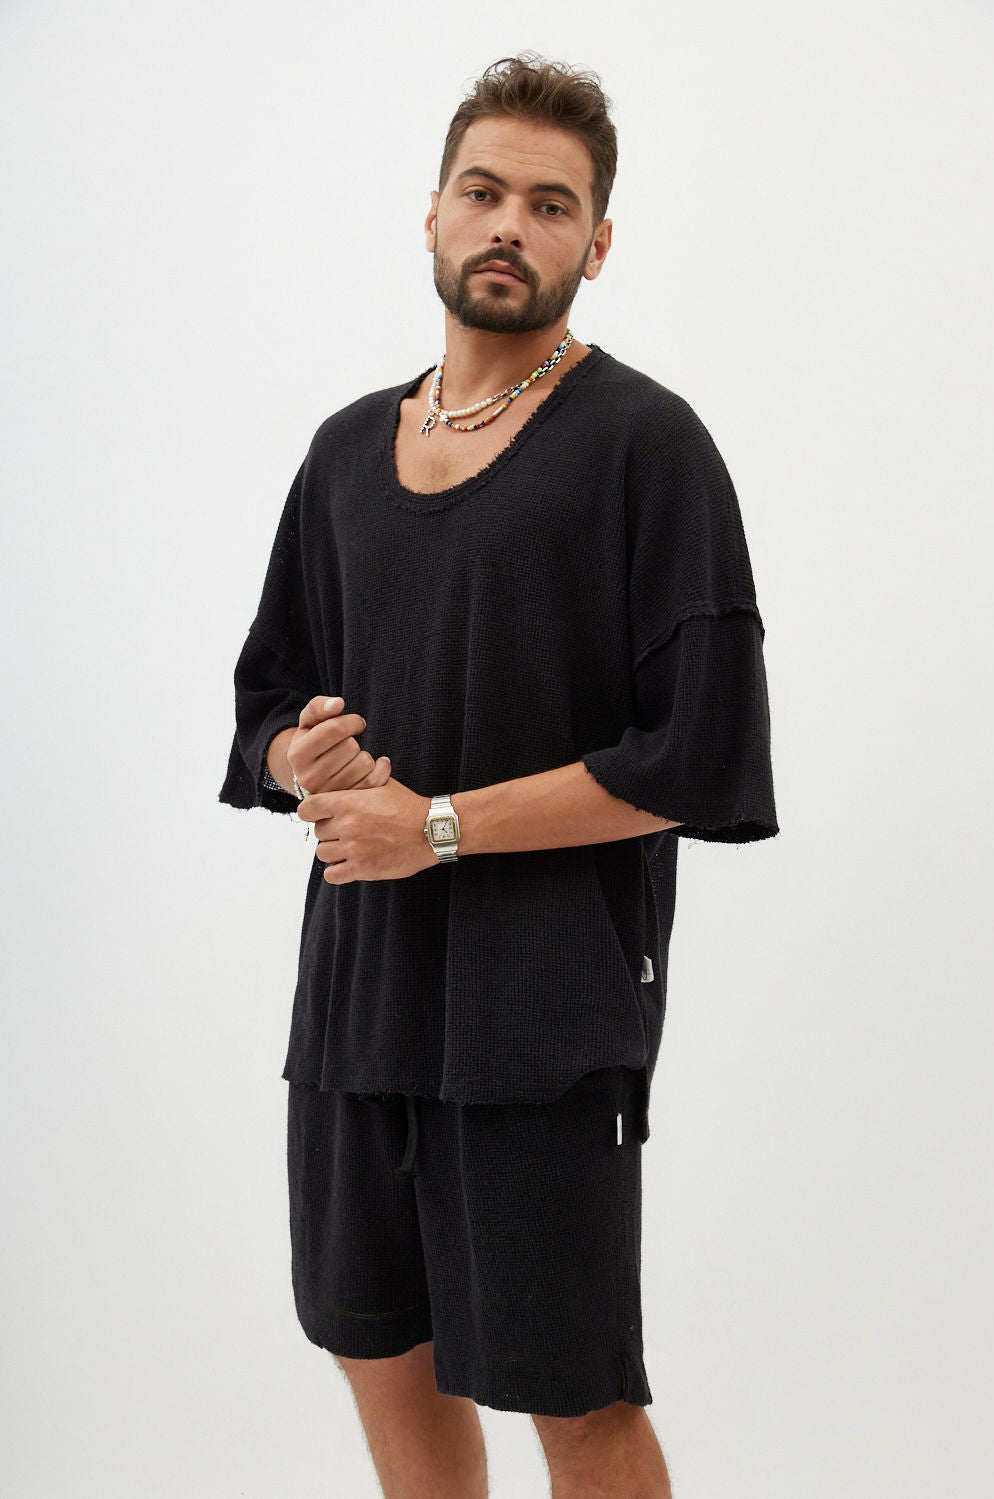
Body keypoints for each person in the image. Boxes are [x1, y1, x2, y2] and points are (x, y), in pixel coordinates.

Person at [219, 51, 778, 1499]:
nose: (509, 226)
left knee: (572, 1395)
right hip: (357, 1000)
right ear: (432, 213)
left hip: (541, 1017)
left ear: (599, 241)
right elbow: (264, 703)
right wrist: (295, 755)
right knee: (379, 1354)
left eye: (550, 203)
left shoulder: (646, 446)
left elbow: (700, 756)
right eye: (483, 192)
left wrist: (440, 828)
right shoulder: (347, 451)